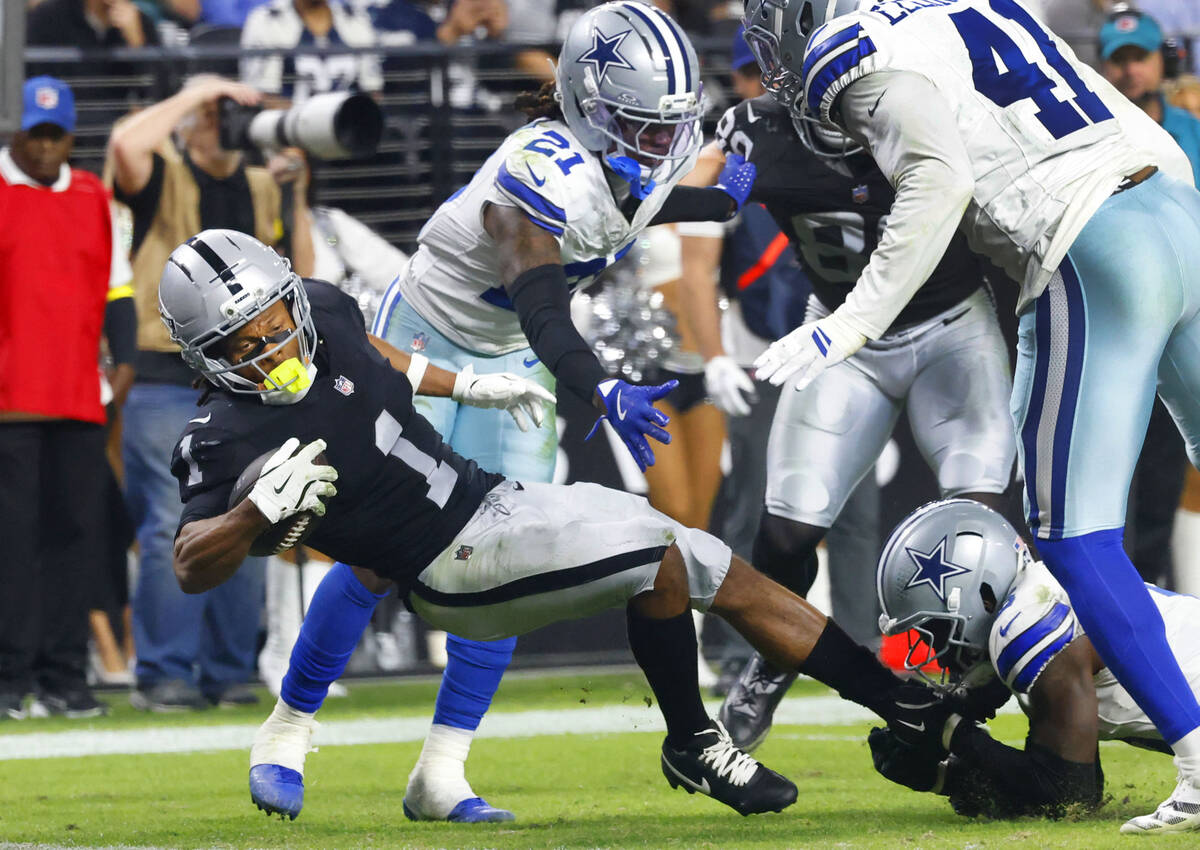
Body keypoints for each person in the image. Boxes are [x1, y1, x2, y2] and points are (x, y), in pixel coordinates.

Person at [156, 228, 943, 822]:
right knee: (657, 552)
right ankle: (695, 743)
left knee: (717, 566)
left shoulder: (323, 311)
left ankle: (899, 703)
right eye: (242, 342)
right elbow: (192, 562)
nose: (273, 347)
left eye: (273, 319)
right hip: (447, 568)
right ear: (203, 356)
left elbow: (374, 355)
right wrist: (254, 513)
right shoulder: (224, 436)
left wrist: (467, 385)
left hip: (489, 499)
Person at [269, 1, 758, 824]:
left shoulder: (630, 167)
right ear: (588, 108)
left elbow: (669, 204)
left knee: (507, 565)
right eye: (641, 125)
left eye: (669, 127)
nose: (660, 146)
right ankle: (287, 730)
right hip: (427, 339)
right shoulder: (536, 171)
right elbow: (542, 307)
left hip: (514, 359)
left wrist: (737, 180)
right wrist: (598, 385)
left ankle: (442, 772)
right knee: (375, 551)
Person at [743, 0, 1200, 833]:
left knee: (1070, 535)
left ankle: (1199, 764)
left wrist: (852, 319)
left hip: (1087, 237)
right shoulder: (976, 7)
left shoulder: (853, 46)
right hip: (1175, 203)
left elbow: (940, 177)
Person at [681, 51, 1015, 754]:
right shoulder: (754, 131)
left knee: (975, 527)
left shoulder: (928, 112)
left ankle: (967, 683)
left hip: (953, 327)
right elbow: (721, 199)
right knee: (787, 529)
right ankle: (769, 667)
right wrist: (647, 205)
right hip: (840, 337)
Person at [107, 75, 309, 712]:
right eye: (214, 114)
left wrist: (297, 196)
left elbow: (303, 270)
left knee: (252, 514)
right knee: (172, 519)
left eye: (231, 113)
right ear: (189, 121)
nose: (223, 122)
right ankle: (165, 672)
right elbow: (122, 147)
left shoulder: (259, 184)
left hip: (245, 381)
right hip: (165, 371)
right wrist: (200, 91)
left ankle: (228, 672)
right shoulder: (164, 173)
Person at [870, 498, 1200, 825]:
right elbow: (1051, 773)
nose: (937, 649)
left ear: (982, 592)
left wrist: (950, 732)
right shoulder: (1035, 599)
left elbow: (1069, 794)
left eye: (937, 629)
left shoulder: (1028, 624)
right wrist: (941, 775)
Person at [0, 77, 136, 720]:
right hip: (9, 403)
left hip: (79, 398)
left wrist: (127, 360)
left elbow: (118, 291)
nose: (47, 146)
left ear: (71, 136)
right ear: (16, 132)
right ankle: (7, 678)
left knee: (75, 542)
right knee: (11, 542)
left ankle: (64, 677)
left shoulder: (93, 198)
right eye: (36, 134)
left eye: (57, 135)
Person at [240, 0, 382, 103]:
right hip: (286, 135)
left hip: (347, 131)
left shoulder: (356, 20)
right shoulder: (266, 20)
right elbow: (265, 98)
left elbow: (372, 91)